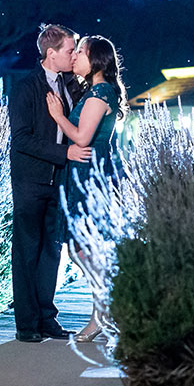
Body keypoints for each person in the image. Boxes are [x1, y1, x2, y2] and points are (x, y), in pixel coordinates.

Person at [8, 24, 91, 343]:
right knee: (28, 251)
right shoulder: (26, 87)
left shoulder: (73, 85)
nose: (74, 55)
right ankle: (27, 324)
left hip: (61, 182)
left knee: (51, 253)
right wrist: (64, 151)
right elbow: (21, 139)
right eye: (70, 50)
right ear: (51, 53)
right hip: (31, 181)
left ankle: (47, 318)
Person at [46, 35, 128, 342]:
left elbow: (81, 137)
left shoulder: (101, 92)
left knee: (84, 248)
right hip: (80, 175)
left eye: (81, 52)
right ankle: (105, 312)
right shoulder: (93, 91)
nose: (76, 56)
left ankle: (102, 315)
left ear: (95, 59)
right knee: (81, 248)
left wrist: (57, 117)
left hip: (87, 177)